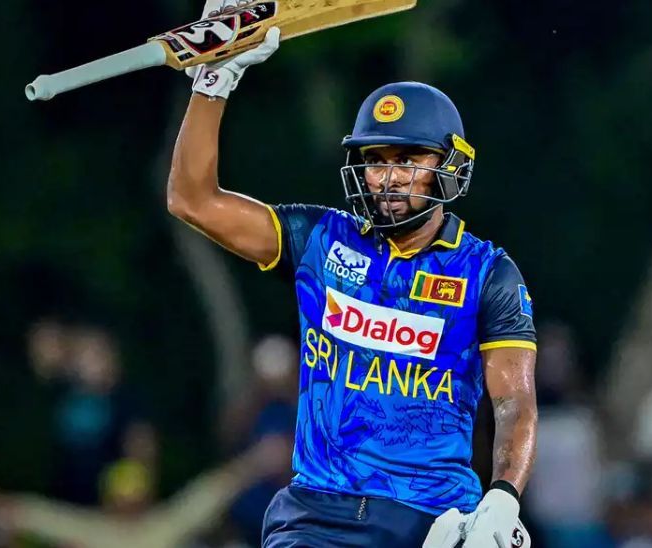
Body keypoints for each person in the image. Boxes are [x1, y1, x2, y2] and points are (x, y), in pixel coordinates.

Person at [167, 2, 538, 545]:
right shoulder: (320, 239)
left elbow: (513, 403)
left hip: (430, 520)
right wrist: (214, 83)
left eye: (408, 160)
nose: (387, 177)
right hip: (315, 513)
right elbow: (192, 199)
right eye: (375, 159)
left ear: (449, 165)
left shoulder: (488, 273)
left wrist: (503, 496)